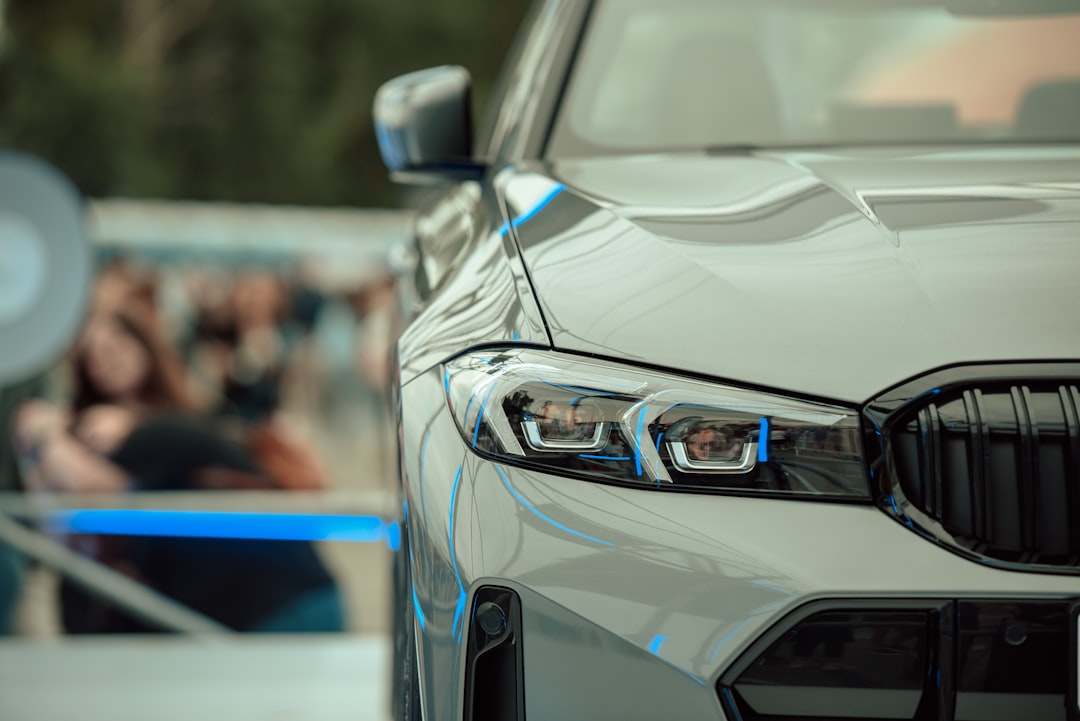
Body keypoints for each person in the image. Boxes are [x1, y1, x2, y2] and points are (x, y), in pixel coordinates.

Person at [15, 308, 344, 633]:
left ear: (145, 345)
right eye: (94, 354)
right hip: (238, 613)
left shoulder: (168, 428)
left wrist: (44, 435)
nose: (108, 356)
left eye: (119, 342)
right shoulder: (142, 431)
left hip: (279, 601)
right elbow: (57, 526)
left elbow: (93, 491)